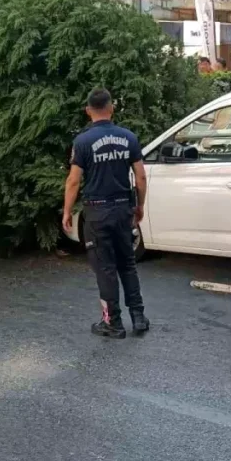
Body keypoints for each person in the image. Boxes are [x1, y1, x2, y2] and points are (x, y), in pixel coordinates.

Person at [63, 88, 149, 339]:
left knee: (105, 268)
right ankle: (139, 317)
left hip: (97, 212)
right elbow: (141, 177)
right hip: (124, 208)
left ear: (88, 110)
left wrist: (67, 211)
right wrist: (140, 205)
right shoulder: (128, 137)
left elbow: (73, 181)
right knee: (128, 264)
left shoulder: (82, 141)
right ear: (111, 108)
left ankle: (112, 322)